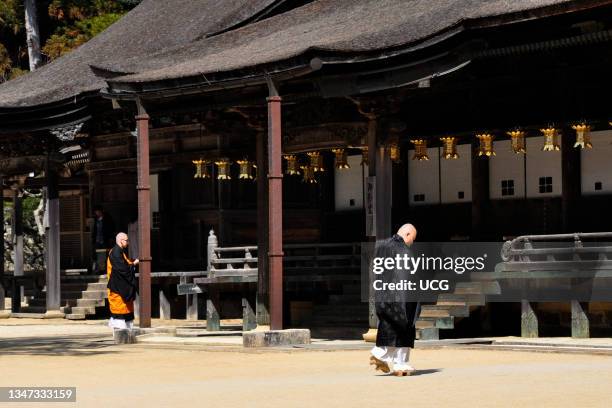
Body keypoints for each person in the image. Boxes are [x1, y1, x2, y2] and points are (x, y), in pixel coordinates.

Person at [369, 223, 421, 376]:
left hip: (384, 296)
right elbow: (406, 276)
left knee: (392, 328)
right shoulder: (402, 250)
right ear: (408, 235)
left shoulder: (383, 246)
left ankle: (397, 362)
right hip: (401, 296)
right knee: (404, 327)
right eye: (413, 239)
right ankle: (392, 360)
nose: (412, 242)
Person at [107, 232, 139, 330]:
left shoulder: (120, 251)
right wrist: (133, 264)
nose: (128, 242)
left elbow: (125, 263)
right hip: (118, 288)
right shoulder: (115, 252)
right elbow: (123, 269)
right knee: (119, 312)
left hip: (122, 288)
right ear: (121, 241)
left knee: (127, 312)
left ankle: (127, 331)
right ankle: (120, 331)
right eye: (126, 240)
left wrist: (132, 263)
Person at [92, 206, 115, 273]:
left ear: (101, 211)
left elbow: (111, 228)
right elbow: (95, 230)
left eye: (98, 212)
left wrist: (109, 237)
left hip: (105, 239)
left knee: (106, 254)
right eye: (96, 212)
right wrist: (93, 239)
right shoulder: (96, 219)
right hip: (97, 240)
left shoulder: (107, 219)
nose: (97, 213)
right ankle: (99, 269)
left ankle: (106, 269)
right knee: (97, 255)